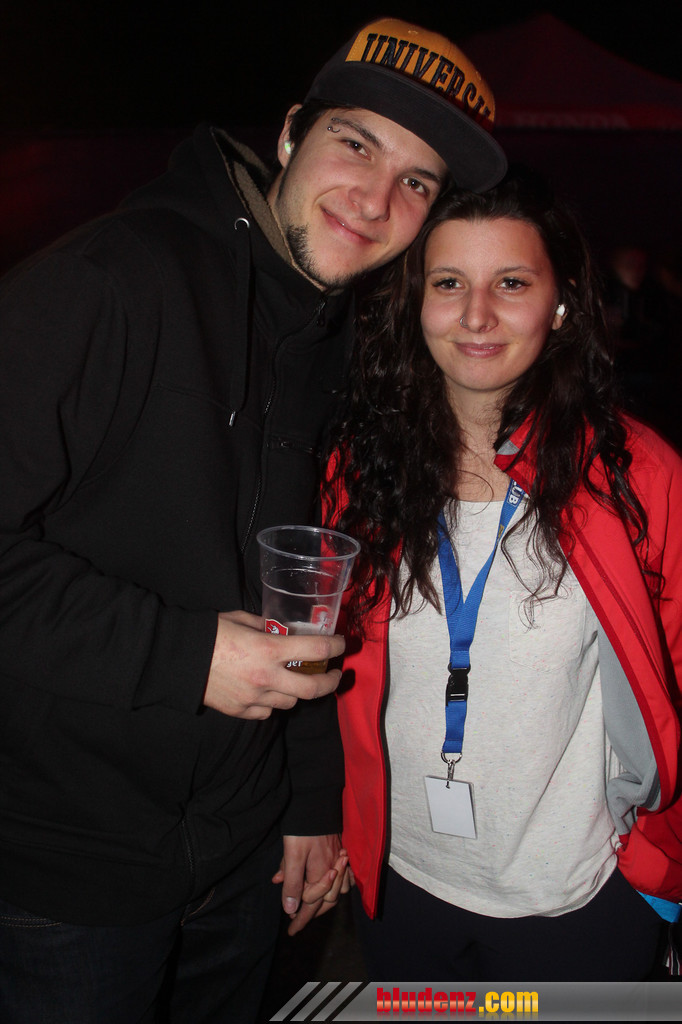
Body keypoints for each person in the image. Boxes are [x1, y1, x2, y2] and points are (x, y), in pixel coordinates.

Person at [0, 18, 506, 1024]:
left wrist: (306, 804)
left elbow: (308, 595)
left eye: (416, 181)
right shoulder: (105, 283)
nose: (376, 199)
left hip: (240, 861)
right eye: (356, 143)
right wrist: (185, 655)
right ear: (288, 134)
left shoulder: (335, 337)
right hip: (68, 875)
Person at [327, 169, 682, 981]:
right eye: (449, 282)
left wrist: (661, 871)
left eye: (512, 283)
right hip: (400, 885)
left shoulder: (637, 477)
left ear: (561, 305)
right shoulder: (360, 469)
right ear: (415, 302)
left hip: (578, 901)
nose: (477, 314)